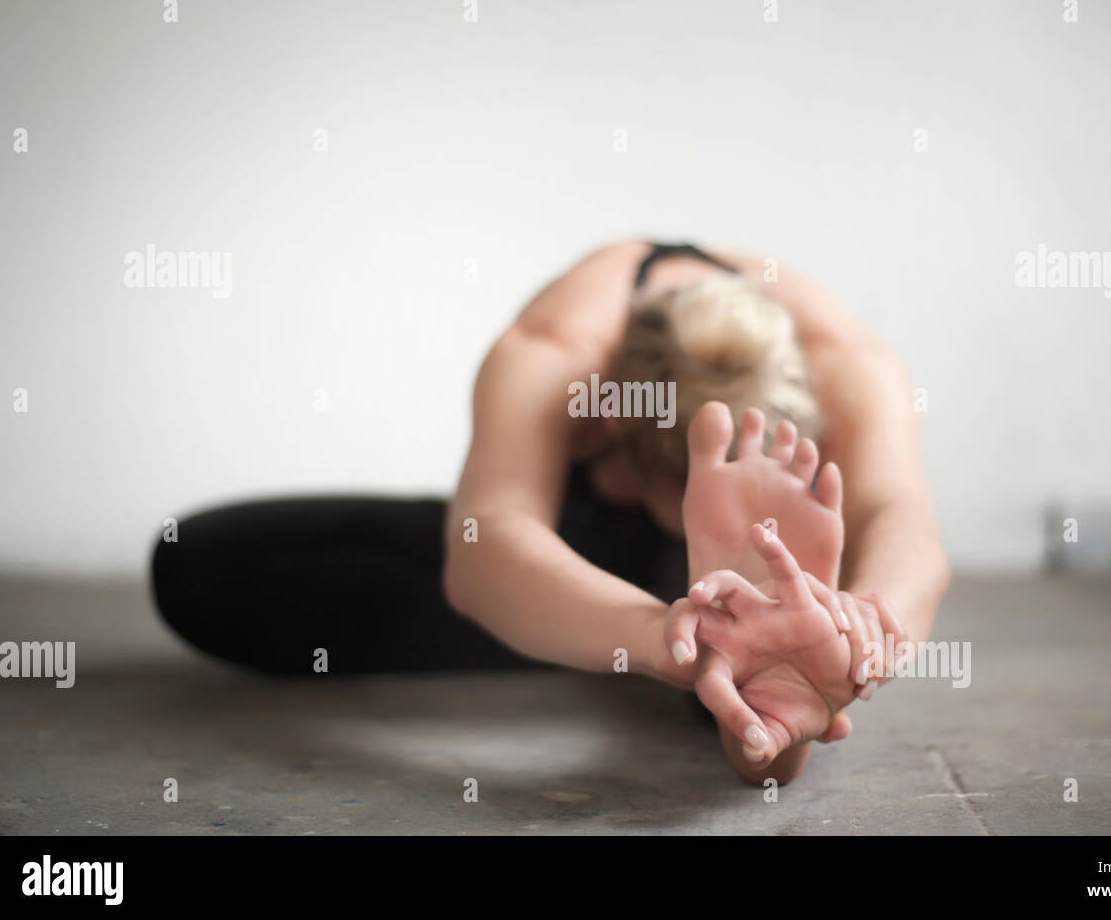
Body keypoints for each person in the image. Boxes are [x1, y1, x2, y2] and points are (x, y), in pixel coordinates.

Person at [152, 240, 950, 783]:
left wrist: (861, 625)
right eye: (665, 492)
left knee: (761, 642)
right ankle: (712, 655)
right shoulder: (562, 348)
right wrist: (673, 641)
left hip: (752, 569)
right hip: (588, 554)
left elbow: (902, 517)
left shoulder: (845, 364)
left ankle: (769, 684)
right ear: (604, 418)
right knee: (198, 564)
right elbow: (488, 538)